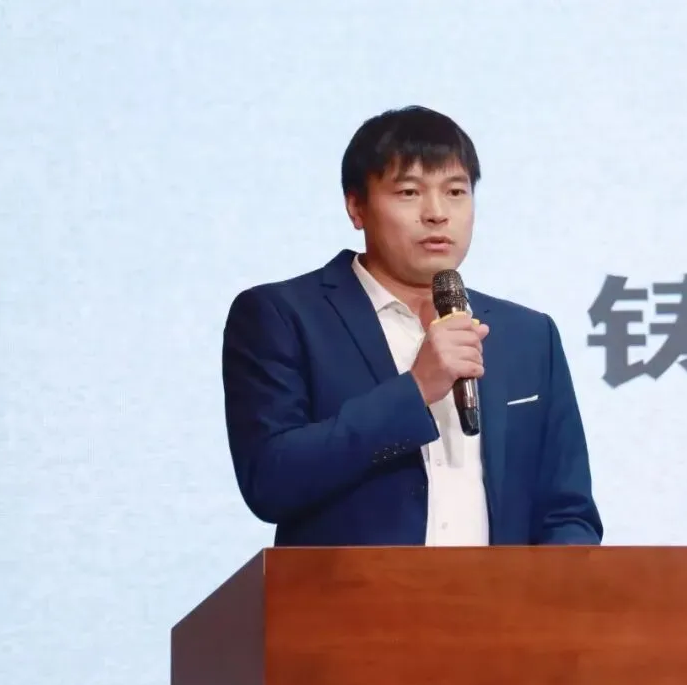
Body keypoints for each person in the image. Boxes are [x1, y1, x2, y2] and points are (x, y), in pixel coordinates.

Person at [220, 105, 603, 546]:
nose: (437, 213)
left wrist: (556, 584)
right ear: (356, 206)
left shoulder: (529, 335)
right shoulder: (282, 316)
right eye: (409, 192)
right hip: (353, 592)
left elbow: (568, 511)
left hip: (501, 593)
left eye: (455, 191)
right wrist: (415, 390)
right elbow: (270, 481)